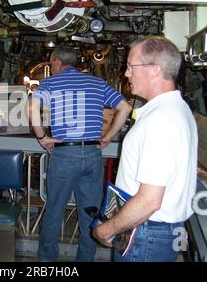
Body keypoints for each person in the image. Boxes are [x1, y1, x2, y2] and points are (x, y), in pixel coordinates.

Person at [93, 36, 198, 262]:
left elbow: (149, 200)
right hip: (152, 231)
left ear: (154, 70)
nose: (126, 74)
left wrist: (108, 228)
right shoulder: (176, 109)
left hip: (145, 233)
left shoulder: (160, 121)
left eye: (131, 66)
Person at [28, 45, 132, 261]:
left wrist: (42, 137)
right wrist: (109, 136)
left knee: (54, 211)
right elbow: (125, 107)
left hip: (64, 155)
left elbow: (32, 108)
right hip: (92, 155)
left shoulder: (50, 82)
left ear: (57, 62)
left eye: (51, 64)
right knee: (89, 214)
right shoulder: (97, 83)